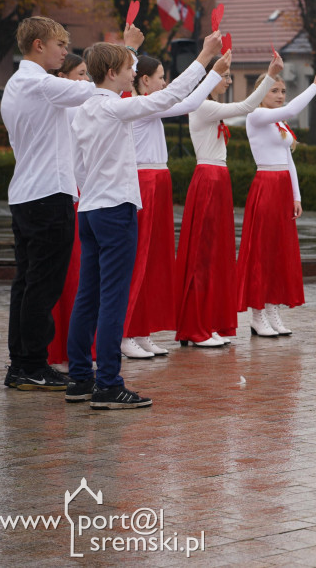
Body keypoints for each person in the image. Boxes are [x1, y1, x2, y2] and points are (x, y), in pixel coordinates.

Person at [66, 32, 223, 409]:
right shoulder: (112, 107)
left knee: (88, 296)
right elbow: (169, 97)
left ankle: (79, 379)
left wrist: (91, 195)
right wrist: (203, 58)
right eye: (127, 68)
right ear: (111, 72)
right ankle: (107, 383)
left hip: (89, 209)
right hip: (114, 209)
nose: (132, 73)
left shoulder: (86, 107)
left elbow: (78, 166)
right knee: (113, 299)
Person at [2, 17, 142, 392]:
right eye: (59, 45)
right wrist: (127, 51)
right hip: (48, 195)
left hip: (27, 194)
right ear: (37, 46)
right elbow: (99, 90)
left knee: (27, 283)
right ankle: (31, 363)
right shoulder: (41, 84)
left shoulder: (20, 83)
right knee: (42, 286)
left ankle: (22, 363)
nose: (65, 52)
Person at [121, 53, 228, 359]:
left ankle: (142, 331)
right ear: (144, 80)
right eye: (161, 77)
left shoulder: (149, 106)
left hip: (159, 182)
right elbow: (186, 98)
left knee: (155, 261)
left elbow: (186, 101)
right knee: (138, 259)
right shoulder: (137, 105)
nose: (165, 82)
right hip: (144, 182)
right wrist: (210, 66)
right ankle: (126, 331)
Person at [174, 52, 283, 347]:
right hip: (209, 178)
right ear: (210, 79)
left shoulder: (212, 107)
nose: (229, 80)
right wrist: (270, 74)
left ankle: (209, 322)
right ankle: (196, 328)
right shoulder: (204, 106)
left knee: (217, 254)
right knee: (203, 255)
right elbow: (248, 105)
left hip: (218, 178)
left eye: (230, 76)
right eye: (225, 76)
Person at [237, 69, 316, 336]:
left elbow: (289, 161)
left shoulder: (280, 124)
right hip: (265, 186)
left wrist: (296, 195)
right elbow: (291, 110)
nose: (279, 95)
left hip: (283, 188)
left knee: (280, 251)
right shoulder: (256, 115)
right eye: (274, 91)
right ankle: (258, 313)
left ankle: (273, 307)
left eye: (282, 91)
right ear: (262, 93)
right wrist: (315, 86)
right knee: (262, 251)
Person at [47, 55, 92, 373]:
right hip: (66, 196)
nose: (87, 81)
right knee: (63, 278)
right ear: (63, 77)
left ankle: (72, 352)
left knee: (77, 279)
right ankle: (57, 352)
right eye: (81, 75)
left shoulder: (81, 106)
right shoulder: (64, 107)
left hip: (82, 195)